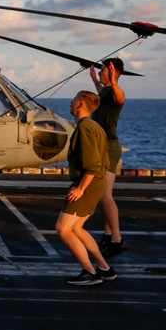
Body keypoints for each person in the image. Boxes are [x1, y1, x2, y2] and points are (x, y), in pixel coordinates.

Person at [57, 91, 116, 286]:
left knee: (63, 228)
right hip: (96, 182)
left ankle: (89, 271)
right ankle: (105, 269)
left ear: (81, 105)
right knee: (77, 228)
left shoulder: (85, 128)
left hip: (88, 183)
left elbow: (92, 164)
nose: (71, 102)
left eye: (74, 100)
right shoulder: (93, 126)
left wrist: (81, 188)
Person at [89, 57, 127, 258]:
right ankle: (108, 234)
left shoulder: (115, 92)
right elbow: (100, 91)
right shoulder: (105, 90)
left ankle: (117, 240)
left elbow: (121, 99)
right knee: (101, 196)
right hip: (100, 146)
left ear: (111, 72)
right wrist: (94, 76)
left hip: (109, 147)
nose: (101, 74)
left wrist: (114, 80)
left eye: (103, 71)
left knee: (105, 195)